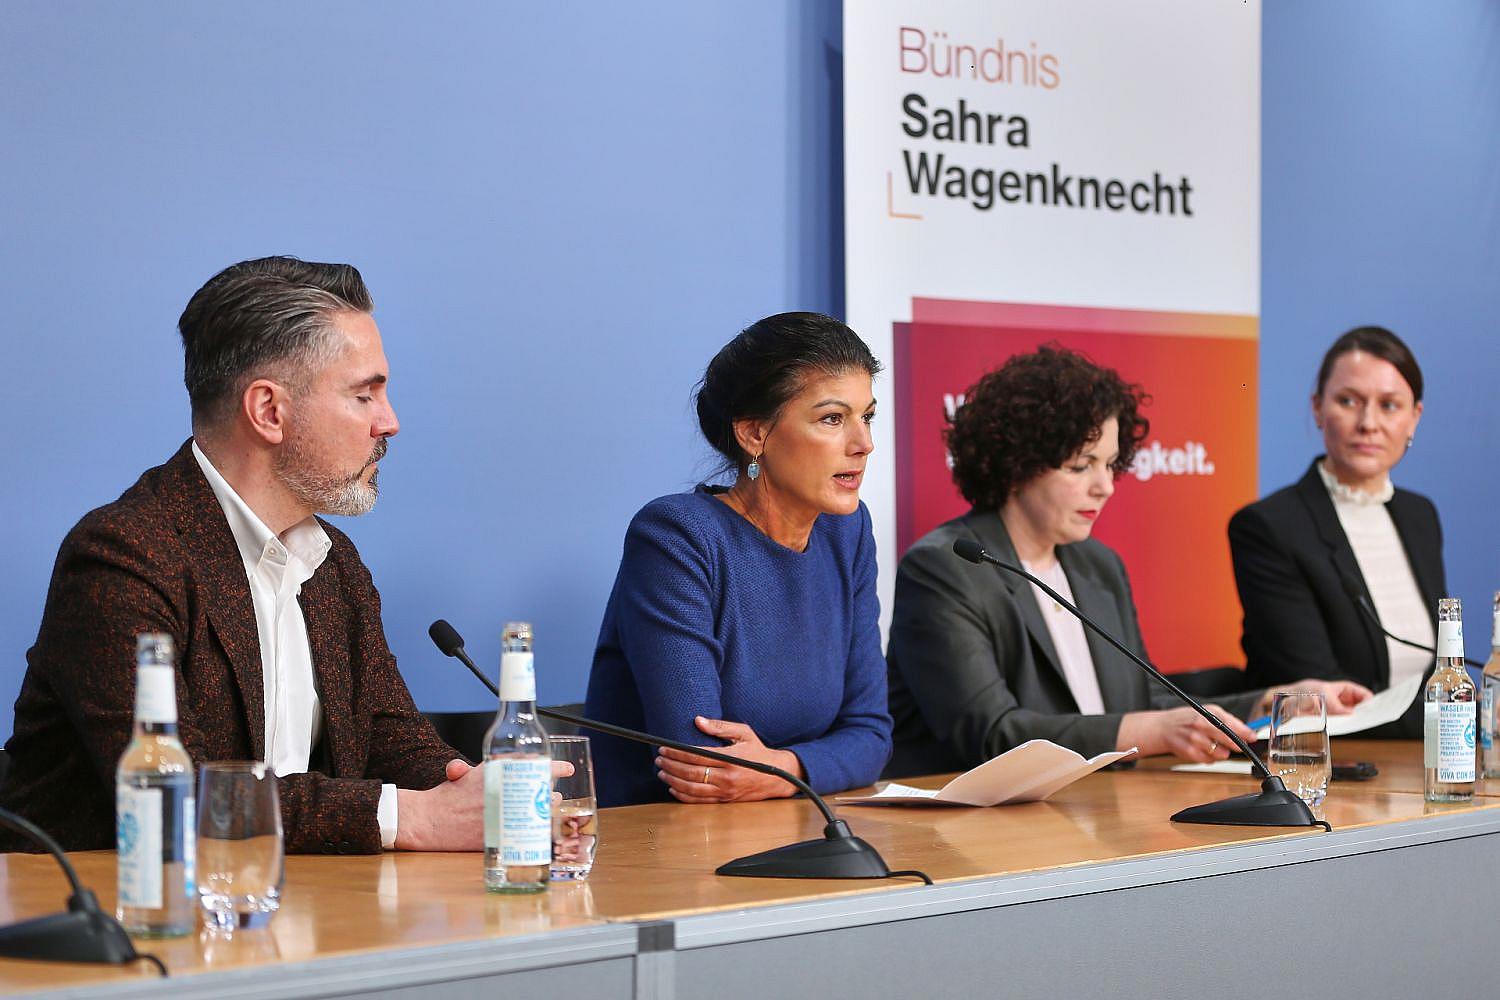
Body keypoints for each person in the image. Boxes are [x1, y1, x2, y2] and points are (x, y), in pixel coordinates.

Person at [0, 256, 558, 854]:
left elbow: (388, 737)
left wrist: (487, 799)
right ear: (269, 411)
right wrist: (414, 817)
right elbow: (174, 792)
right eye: (364, 395)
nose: (390, 422)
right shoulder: (124, 557)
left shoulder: (333, 565)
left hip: (285, 898)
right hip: (115, 905)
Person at [886, 345, 1369, 777]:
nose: (1105, 487)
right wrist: (1155, 732)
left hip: (1096, 812)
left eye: (1110, 464)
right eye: (1081, 466)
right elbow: (992, 735)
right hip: (972, 828)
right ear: (1016, 465)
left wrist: (1275, 704)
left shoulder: (1098, 566)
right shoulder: (946, 570)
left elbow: (1144, 702)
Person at [584, 312, 892, 807]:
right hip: (658, 837)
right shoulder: (677, 536)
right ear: (754, 435)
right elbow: (700, 760)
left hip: (794, 822)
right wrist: (812, 765)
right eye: (832, 419)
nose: (864, 444)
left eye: (867, 416)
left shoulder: (847, 532)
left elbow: (871, 736)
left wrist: (787, 769)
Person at [1229, 326, 1440, 737]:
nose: (1368, 423)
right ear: (1317, 408)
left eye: (1389, 405)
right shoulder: (1269, 527)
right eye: (1348, 401)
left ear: (1414, 417)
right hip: (1324, 759)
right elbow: (1326, 698)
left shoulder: (1420, 517)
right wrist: (1458, 712)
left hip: (1418, 755)